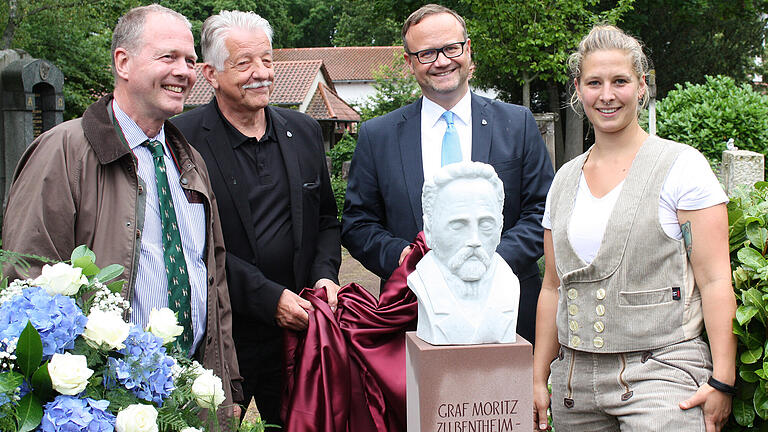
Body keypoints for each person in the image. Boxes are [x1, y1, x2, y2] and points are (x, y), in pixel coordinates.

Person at [1, 4, 243, 423]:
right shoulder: (63, 152)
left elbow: (213, 282)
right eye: (168, 57)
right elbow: (25, 285)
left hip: (186, 399)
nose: (183, 71)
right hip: (101, 405)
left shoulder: (189, 162)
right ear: (123, 62)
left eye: (189, 59)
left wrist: (227, 386)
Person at [532, 25, 736, 432]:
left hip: (662, 375)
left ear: (641, 86)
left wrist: (723, 381)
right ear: (578, 88)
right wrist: (539, 378)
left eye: (620, 81)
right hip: (575, 385)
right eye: (594, 82)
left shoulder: (682, 166)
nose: (607, 95)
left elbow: (714, 280)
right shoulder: (565, 180)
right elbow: (553, 287)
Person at [341, 3, 553, 344]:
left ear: (468, 50)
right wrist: (407, 259)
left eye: (451, 48)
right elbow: (358, 224)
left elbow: (543, 210)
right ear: (409, 62)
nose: (441, 61)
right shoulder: (378, 136)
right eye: (426, 53)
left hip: (509, 315)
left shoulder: (517, 124)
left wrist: (488, 262)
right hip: (412, 311)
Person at [171, 10, 341, 428]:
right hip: (222, 334)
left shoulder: (302, 130)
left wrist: (324, 275)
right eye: (244, 63)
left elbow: (326, 219)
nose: (261, 73)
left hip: (299, 332)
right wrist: (269, 299)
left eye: (266, 60)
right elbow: (190, 243)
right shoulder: (181, 140)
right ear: (210, 73)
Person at [407, 162, 519, 345]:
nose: (474, 239)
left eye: (486, 224)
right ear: (429, 229)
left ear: (500, 227)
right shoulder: (422, 281)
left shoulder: (509, 285)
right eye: (458, 225)